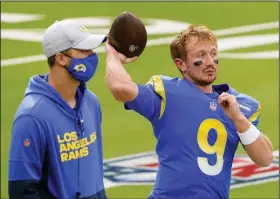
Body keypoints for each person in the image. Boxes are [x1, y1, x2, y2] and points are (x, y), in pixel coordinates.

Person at [104, 24, 274, 199]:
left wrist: (238, 119)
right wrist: (113, 56)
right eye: (201, 55)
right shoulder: (168, 94)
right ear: (181, 64)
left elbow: (265, 158)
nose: (209, 62)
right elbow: (119, 88)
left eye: (213, 54)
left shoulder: (240, 105)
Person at [8, 19, 108, 199]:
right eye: (84, 50)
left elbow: (95, 175)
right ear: (60, 58)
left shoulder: (91, 103)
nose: (92, 56)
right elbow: (21, 191)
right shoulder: (31, 117)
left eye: (92, 50)